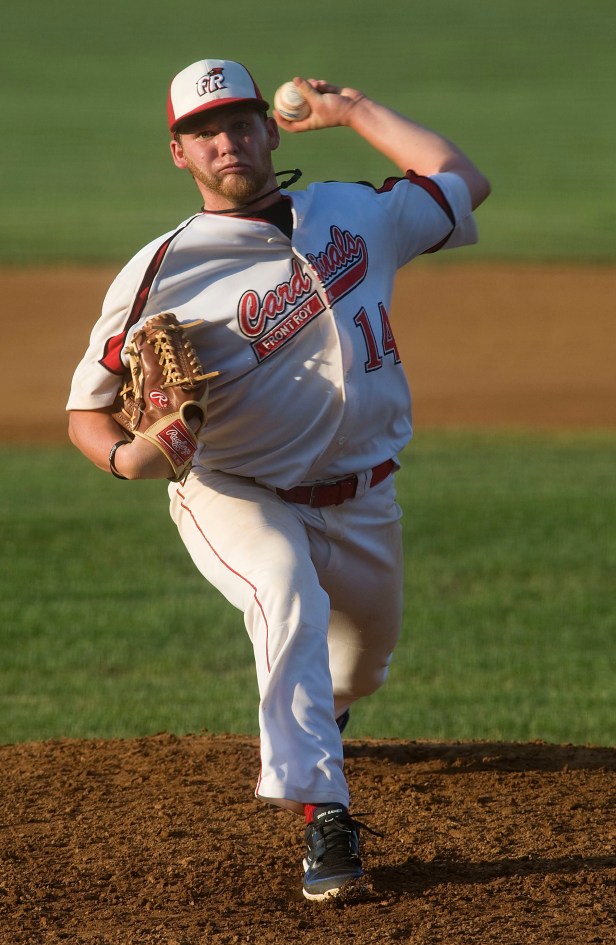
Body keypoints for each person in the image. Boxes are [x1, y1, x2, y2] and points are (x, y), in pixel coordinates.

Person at [67, 57, 490, 901]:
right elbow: (87, 408)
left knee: (360, 667)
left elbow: (460, 180)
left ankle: (322, 716)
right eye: (202, 133)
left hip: (365, 495)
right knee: (284, 590)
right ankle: (324, 818)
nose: (225, 141)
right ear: (179, 154)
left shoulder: (353, 212)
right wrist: (124, 456)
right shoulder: (163, 268)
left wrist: (354, 107)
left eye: (239, 122)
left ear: (269, 129)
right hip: (237, 491)